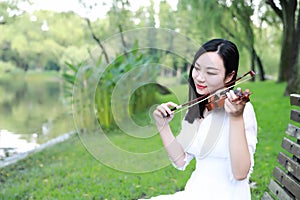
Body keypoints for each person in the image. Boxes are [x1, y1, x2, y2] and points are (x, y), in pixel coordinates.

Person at [143, 39, 257, 200]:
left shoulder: (241, 111)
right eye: (197, 69)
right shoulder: (200, 107)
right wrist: (162, 126)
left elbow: (240, 173)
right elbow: (181, 160)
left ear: (229, 76)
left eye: (210, 72)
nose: (200, 78)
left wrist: (236, 118)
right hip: (195, 192)